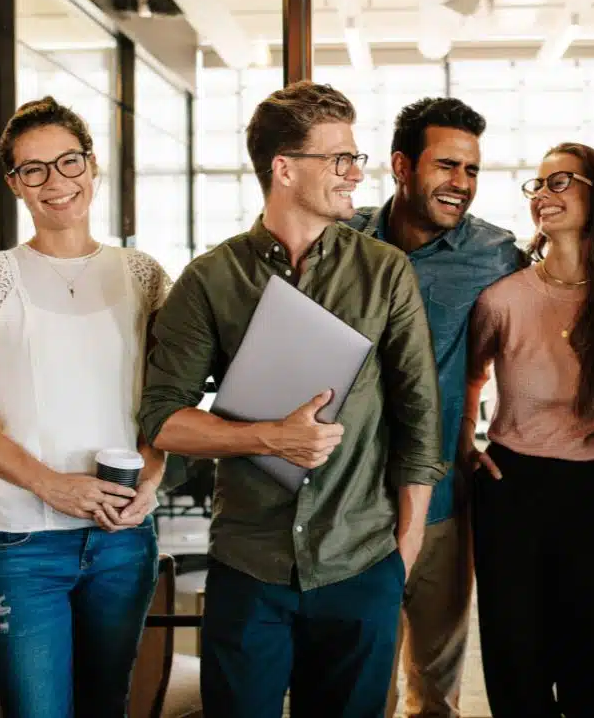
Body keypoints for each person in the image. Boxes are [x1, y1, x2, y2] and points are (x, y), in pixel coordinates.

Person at [138, 81, 445, 718]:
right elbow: (163, 417)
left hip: (361, 563)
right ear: (284, 169)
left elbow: (420, 421)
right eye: (339, 159)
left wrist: (403, 554)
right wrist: (268, 436)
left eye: (355, 159)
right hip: (249, 565)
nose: (355, 174)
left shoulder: (385, 271)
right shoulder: (212, 279)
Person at [0, 96, 169, 717]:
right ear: (14, 184)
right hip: (23, 543)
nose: (55, 182)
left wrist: (154, 474)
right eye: (32, 169)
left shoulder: (143, 274)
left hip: (121, 539)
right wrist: (51, 485)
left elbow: (166, 398)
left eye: (68, 162)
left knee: (105, 706)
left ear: (92, 168)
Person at [460, 142, 594, 717]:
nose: (543, 195)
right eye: (537, 185)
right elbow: (471, 377)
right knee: (516, 660)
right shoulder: (503, 298)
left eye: (560, 181)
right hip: (510, 484)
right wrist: (466, 445)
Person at [347, 97, 521, 718]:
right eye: (447, 166)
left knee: (436, 691)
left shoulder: (496, 255)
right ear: (400, 165)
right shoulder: (340, 243)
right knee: (361, 690)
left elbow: (575, 280)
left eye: (472, 171)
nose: (462, 185)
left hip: (444, 499)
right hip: (350, 505)